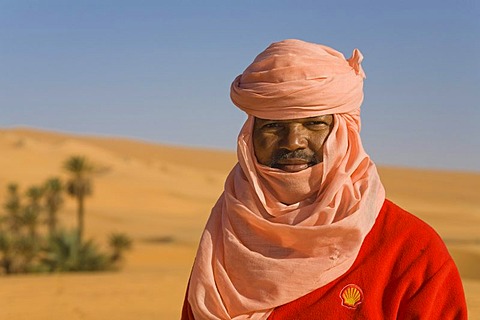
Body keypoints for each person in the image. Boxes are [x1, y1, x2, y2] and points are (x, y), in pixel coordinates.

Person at [181, 39, 467, 319]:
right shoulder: (225, 238)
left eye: (314, 123)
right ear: (250, 137)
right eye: (272, 125)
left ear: (345, 133)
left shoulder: (409, 250)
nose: (293, 142)